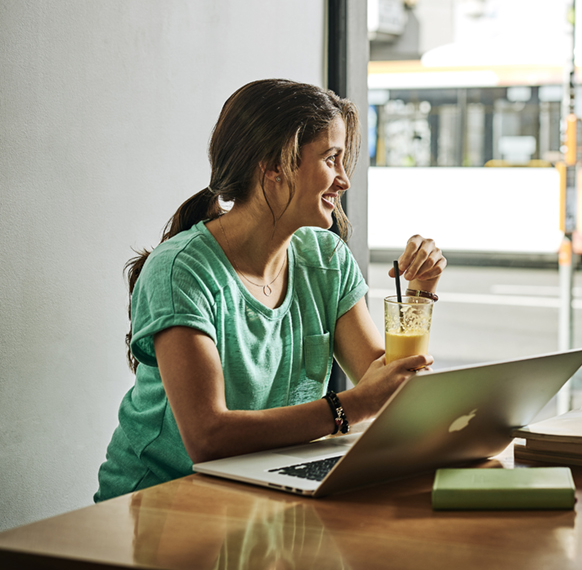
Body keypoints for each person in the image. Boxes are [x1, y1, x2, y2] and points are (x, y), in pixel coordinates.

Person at [95, 79, 446, 501]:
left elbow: (389, 389)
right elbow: (208, 437)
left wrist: (420, 293)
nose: (344, 180)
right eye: (331, 159)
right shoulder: (180, 270)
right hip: (158, 503)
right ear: (274, 165)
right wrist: (349, 406)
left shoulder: (325, 257)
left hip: (263, 488)